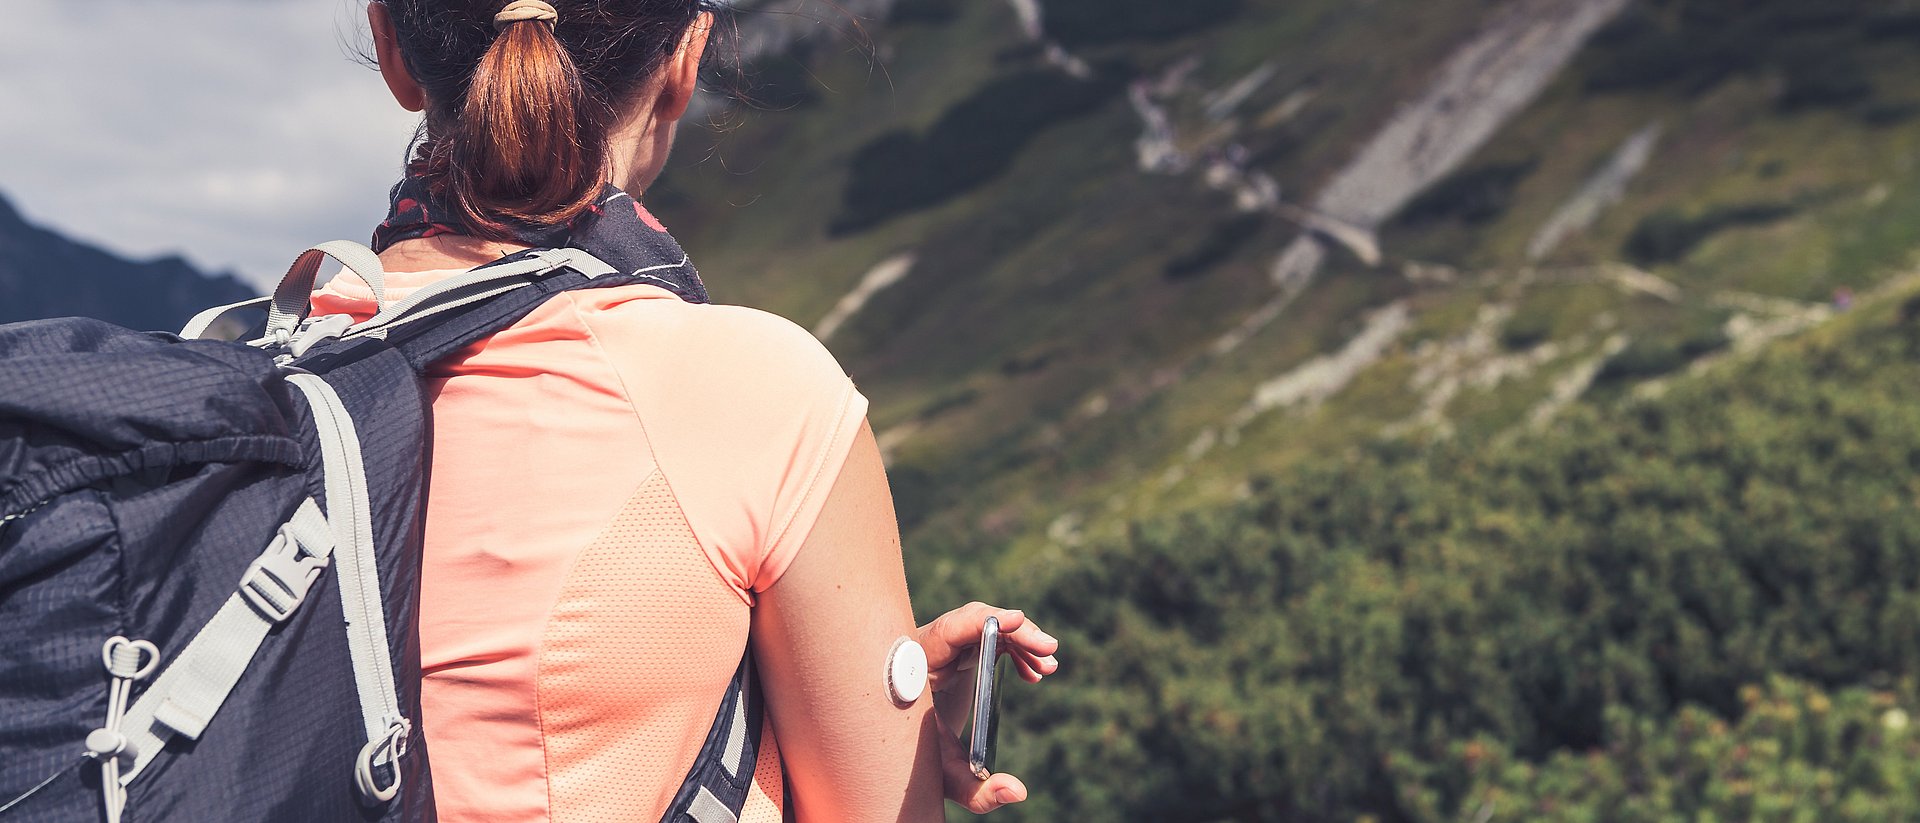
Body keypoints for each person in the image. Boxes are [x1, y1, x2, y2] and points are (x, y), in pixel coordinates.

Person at [316, 1, 1061, 820]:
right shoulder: (761, 397)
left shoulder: (261, 388)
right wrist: (877, 725)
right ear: (684, 62)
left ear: (390, 44)